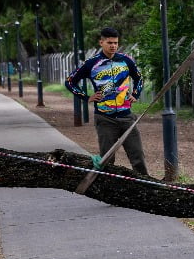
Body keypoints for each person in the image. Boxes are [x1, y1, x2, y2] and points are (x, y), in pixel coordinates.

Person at [64, 26, 150, 176]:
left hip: (127, 117)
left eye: (116, 43)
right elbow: (70, 81)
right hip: (105, 118)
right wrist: (86, 97)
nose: (113, 46)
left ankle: (146, 185)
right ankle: (108, 187)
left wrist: (135, 94)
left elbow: (139, 78)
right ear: (101, 42)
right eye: (109, 42)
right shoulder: (91, 63)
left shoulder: (125, 60)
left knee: (137, 157)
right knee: (107, 160)